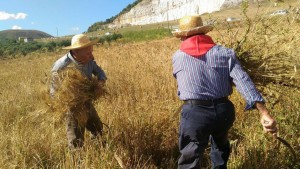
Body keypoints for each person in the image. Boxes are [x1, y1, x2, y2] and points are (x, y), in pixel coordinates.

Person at [172, 15, 277, 169]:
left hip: (194, 114)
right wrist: (264, 113)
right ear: (204, 32)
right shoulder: (226, 53)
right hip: (223, 112)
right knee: (220, 146)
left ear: (183, 36)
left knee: (190, 157)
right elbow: (244, 82)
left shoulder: (177, 57)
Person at [50, 34, 107, 150]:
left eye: (91, 51)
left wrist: (100, 84)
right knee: (76, 140)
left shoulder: (89, 61)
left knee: (98, 129)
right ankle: (78, 162)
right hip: (73, 108)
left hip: (87, 102)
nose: (92, 56)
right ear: (76, 52)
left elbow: (100, 73)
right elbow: (54, 92)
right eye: (88, 53)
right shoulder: (61, 66)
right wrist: (69, 100)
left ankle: (99, 152)